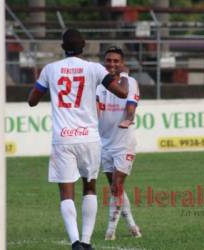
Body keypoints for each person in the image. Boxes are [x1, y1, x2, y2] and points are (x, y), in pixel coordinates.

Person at [28, 29, 129, 250]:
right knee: (90, 188)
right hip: (89, 138)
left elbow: (32, 100)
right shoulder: (94, 69)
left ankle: (75, 242)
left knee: (66, 191)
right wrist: (118, 75)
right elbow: (121, 93)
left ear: (63, 47)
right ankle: (86, 241)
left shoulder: (50, 69)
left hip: (63, 138)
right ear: (84, 46)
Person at [96, 46, 142, 240]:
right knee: (116, 189)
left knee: (116, 186)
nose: (112, 64)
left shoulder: (130, 82)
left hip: (124, 143)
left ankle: (110, 231)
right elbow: (96, 111)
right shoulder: (99, 85)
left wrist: (129, 118)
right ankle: (132, 226)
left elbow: (131, 106)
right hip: (104, 143)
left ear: (122, 63)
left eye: (116, 61)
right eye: (109, 60)